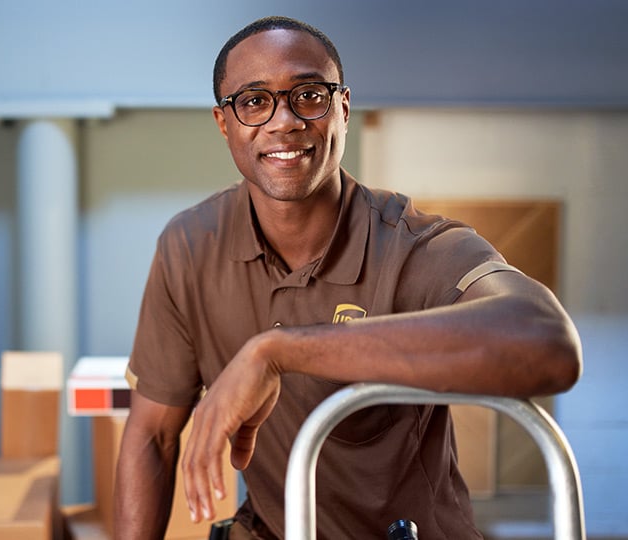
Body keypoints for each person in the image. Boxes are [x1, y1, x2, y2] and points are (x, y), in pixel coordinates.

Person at [114, 15, 582, 540]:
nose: (284, 121)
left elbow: (547, 342)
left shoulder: (413, 248)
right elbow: (152, 435)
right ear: (225, 123)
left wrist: (278, 350)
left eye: (309, 95)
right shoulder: (189, 246)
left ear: (342, 107)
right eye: (253, 101)